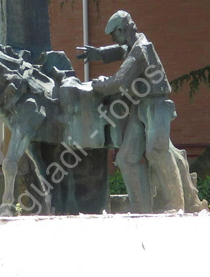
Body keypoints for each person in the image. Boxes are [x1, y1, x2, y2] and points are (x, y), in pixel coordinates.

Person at [77, 11, 186, 213]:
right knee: (126, 157)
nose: (113, 40)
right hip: (140, 106)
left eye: (114, 35)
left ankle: (175, 205)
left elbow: (119, 81)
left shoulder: (141, 50)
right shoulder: (133, 45)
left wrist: (98, 85)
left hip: (156, 104)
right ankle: (141, 207)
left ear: (122, 30)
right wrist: (100, 53)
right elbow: (121, 50)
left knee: (157, 151)